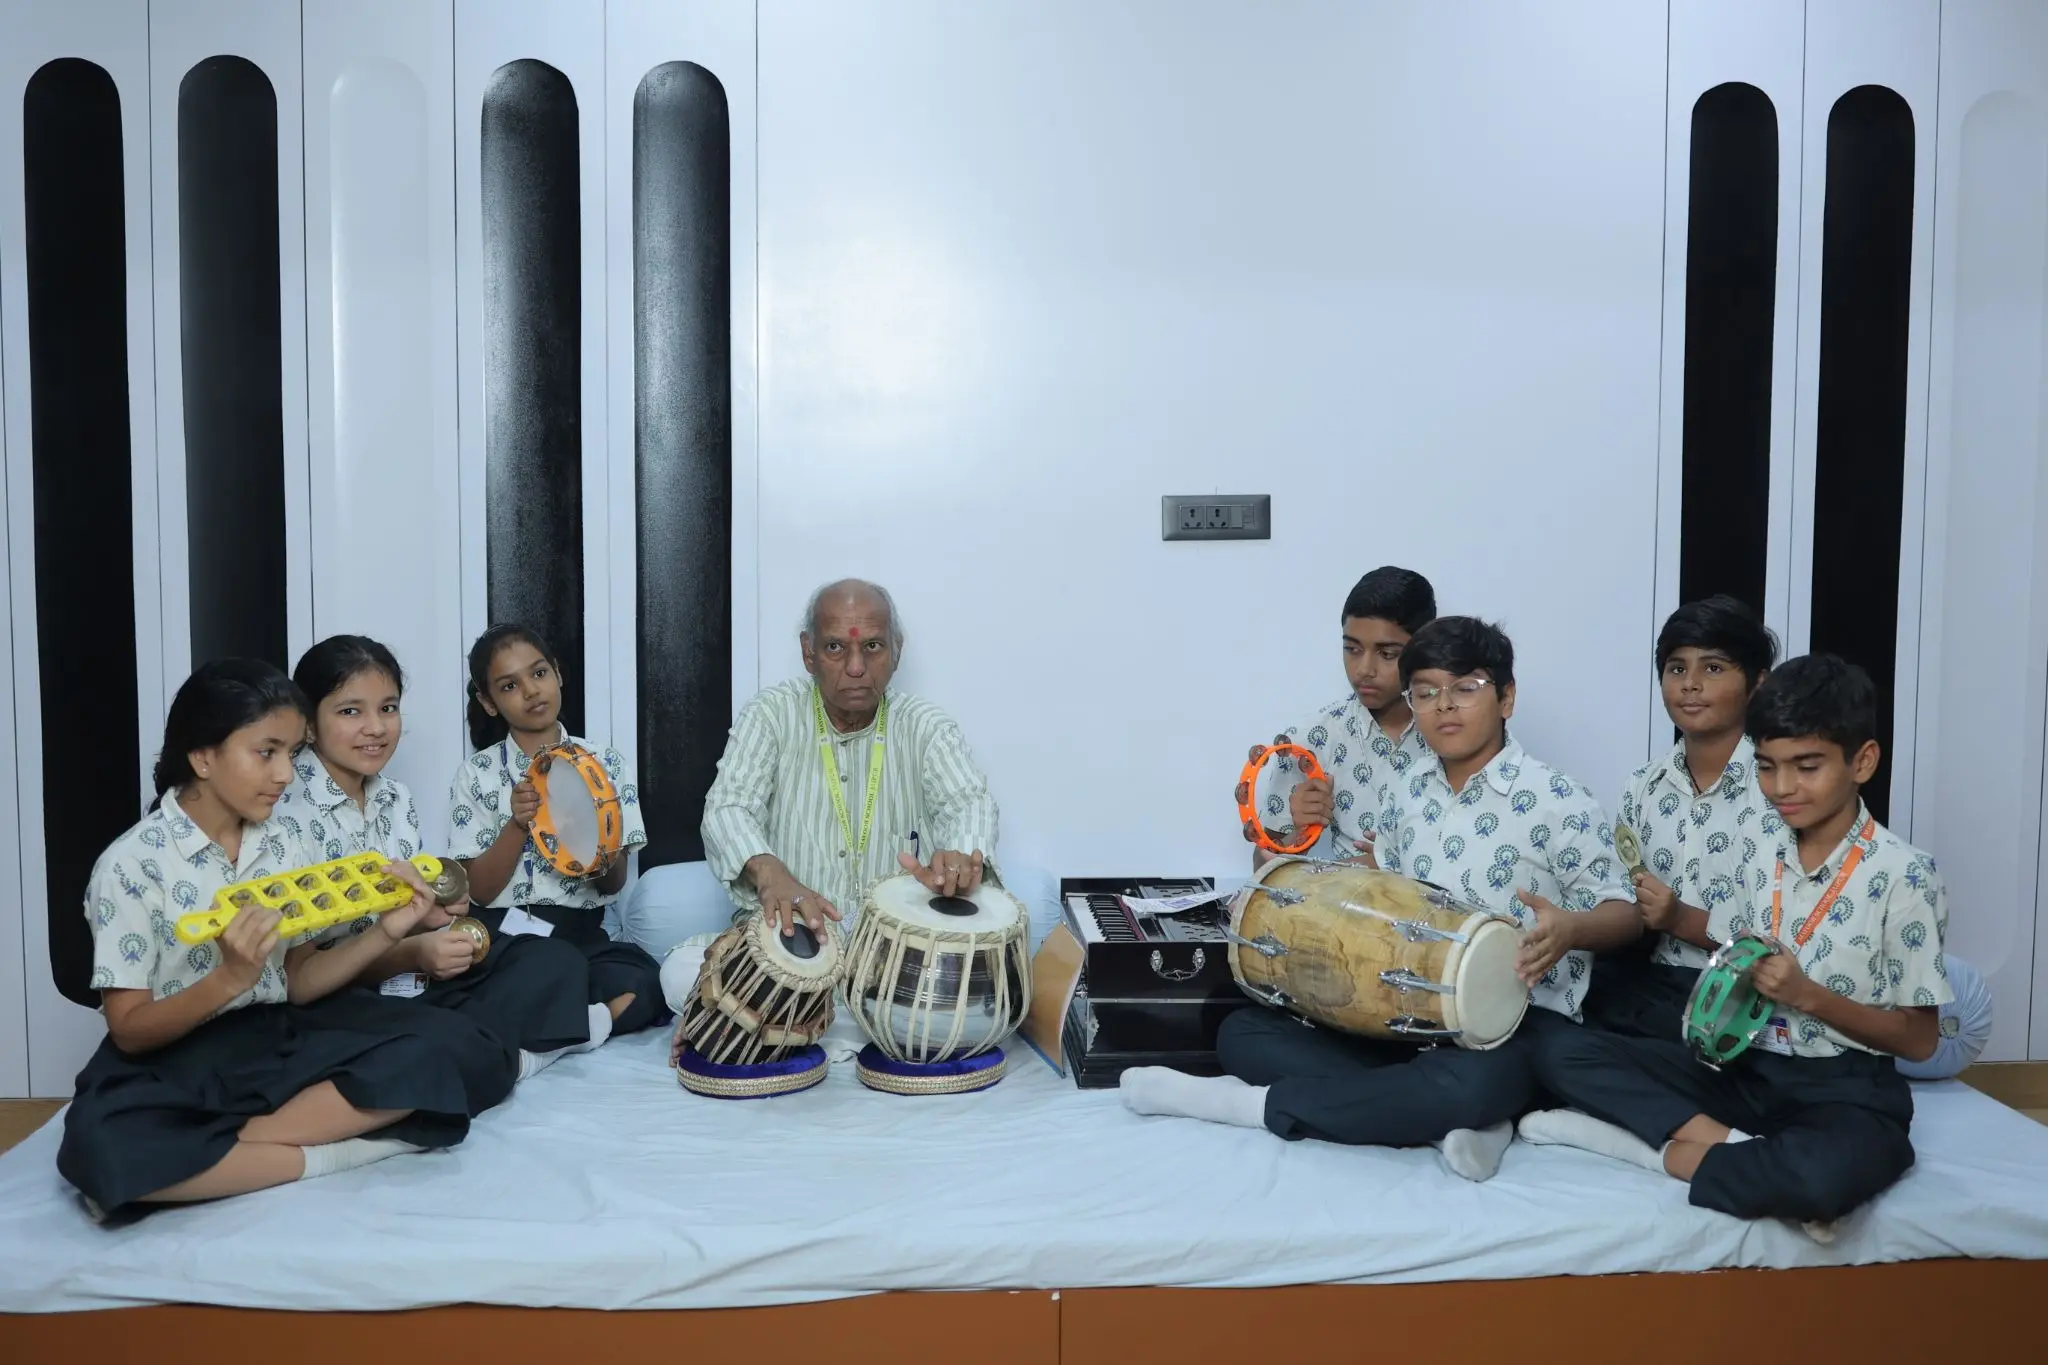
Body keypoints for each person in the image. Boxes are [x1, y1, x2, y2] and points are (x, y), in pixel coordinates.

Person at [1124, 617, 1639, 1181]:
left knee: (1476, 1080)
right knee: (1244, 1034)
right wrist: (1300, 857)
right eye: (1426, 692)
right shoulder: (1408, 789)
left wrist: (1568, 930)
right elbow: (1378, 887)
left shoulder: (1559, 800)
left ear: (1507, 697)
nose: (1444, 707)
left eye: (1465, 688)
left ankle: (1252, 1108)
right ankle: (1462, 1119)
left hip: (1513, 1024)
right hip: (1403, 1019)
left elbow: (1626, 915)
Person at [57, 660, 517, 1219]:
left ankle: (219, 1148)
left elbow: (299, 981)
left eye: (291, 753)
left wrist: (390, 930)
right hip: (179, 1055)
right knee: (101, 1149)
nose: (285, 774)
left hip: (274, 1035)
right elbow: (129, 1032)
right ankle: (326, 1154)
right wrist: (228, 978)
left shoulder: (282, 842)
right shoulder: (131, 866)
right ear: (203, 757)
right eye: (266, 752)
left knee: (444, 1054)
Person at [1520, 655, 1950, 1239]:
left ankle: (1660, 1153)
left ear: (1863, 761)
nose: (1782, 788)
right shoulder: (1761, 850)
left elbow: (1920, 1040)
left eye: (1807, 766)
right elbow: (1728, 933)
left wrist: (1806, 996)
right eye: (1768, 767)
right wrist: (1669, 917)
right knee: (1552, 1046)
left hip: (1842, 1087)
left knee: (1828, 1178)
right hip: (1742, 1065)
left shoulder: (1905, 876)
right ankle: (1739, 1150)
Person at [286, 635, 604, 1078]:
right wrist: (415, 952)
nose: (376, 727)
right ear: (308, 724)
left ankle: (494, 1047)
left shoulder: (395, 799)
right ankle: (497, 1052)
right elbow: (300, 977)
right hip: (343, 993)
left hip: (404, 973)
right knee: (436, 1038)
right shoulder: (287, 811)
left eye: (389, 708)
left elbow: (413, 914)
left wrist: (438, 914)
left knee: (553, 961)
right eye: (350, 711)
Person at [701, 579, 1000, 937]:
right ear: (808, 652)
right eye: (835, 647)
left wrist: (959, 857)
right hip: (791, 935)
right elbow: (728, 807)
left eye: (872, 646)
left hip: (898, 943)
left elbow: (968, 804)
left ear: (897, 651)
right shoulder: (771, 715)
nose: (856, 667)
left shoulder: (926, 727)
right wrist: (769, 873)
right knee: (680, 971)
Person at [446, 625, 665, 1036]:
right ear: (488, 703)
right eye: (510, 685)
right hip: (506, 933)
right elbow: (480, 891)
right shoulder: (477, 774)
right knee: (550, 966)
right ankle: (576, 1025)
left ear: (558, 675)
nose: (531, 691)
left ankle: (560, 1036)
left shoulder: (605, 763)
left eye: (539, 673)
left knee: (646, 982)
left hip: (580, 933)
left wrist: (590, 838)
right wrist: (517, 825)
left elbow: (612, 884)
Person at [1587, 596, 1781, 1037]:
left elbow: (1789, 936)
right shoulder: (1643, 785)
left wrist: (1680, 919)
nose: (1690, 684)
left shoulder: (1780, 787)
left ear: (1757, 685)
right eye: (1677, 669)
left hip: (1751, 997)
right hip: (1657, 988)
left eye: (1713, 668)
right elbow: (1625, 905)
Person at [1250, 566, 1436, 868]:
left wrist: (1399, 858)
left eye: (1387, 653)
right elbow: (1263, 873)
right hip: (1346, 911)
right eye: (1352, 648)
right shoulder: (1309, 741)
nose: (1364, 669)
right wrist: (1296, 834)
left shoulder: (1453, 730)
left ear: (1425, 648)